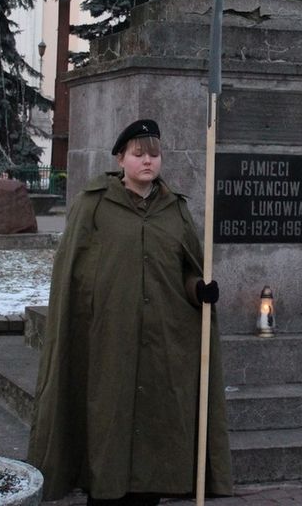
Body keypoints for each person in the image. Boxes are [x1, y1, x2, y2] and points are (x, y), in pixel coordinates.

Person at [26, 118, 233, 504]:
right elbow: (74, 273)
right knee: (108, 423)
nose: (148, 162)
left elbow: (187, 268)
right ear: (120, 158)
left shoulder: (175, 209)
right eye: (138, 154)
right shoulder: (94, 205)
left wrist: (198, 288)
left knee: (155, 430)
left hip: (163, 343)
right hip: (107, 339)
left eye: (154, 154)